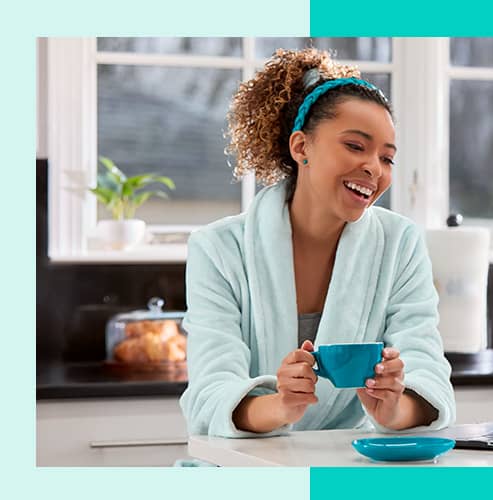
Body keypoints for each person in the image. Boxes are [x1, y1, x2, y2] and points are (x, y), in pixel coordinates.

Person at [179, 48, 455, 437]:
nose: (374, 168)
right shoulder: (220, 249)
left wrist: (394, 407)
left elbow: (428, 375)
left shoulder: (400, 243)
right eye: (356, 146)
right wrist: (280, 405)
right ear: (301, 147)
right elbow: (210, 393)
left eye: (387, 158)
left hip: (348, 465)